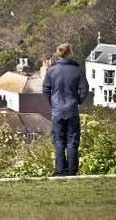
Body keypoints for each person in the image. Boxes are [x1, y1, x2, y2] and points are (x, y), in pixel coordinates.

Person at [42, 42, 90, 176]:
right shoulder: (77, 69)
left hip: (57, 111)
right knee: (72, 141)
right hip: (72, 110)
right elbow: (84, 89)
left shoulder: (51, 70)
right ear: (70, 53)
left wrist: (53, 104)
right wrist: (78, 101)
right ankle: (72, 171)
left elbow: (46, 89)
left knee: (58, 141)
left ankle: (59, 171)